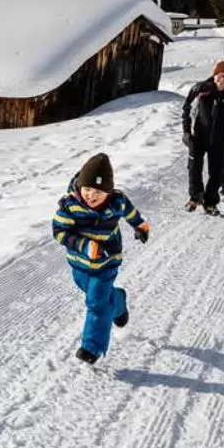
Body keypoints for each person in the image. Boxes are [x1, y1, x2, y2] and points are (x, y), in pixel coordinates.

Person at [51, 152, 150, 364]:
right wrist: (85, 245)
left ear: (108, 191)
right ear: (79, 187)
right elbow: (59, 232)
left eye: (98, 192)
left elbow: (131, 213)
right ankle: (119, 302)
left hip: (107, 263)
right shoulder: (70, 206)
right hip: (79, 265)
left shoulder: (117, 202)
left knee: (96, 302)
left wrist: (140, 226)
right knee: (100, 298)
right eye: (87, 189)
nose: (91, 196)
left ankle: (91, 348)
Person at [181, 60, 224, 215]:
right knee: (194, 168)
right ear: (214, 75)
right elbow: (188, 110)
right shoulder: (201, 90)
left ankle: (210, 202)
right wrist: (186, 132)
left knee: (216, 172)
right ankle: (195, 197)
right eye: (219, 75)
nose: (221, 79)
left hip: (221, 139)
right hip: (199, 136)